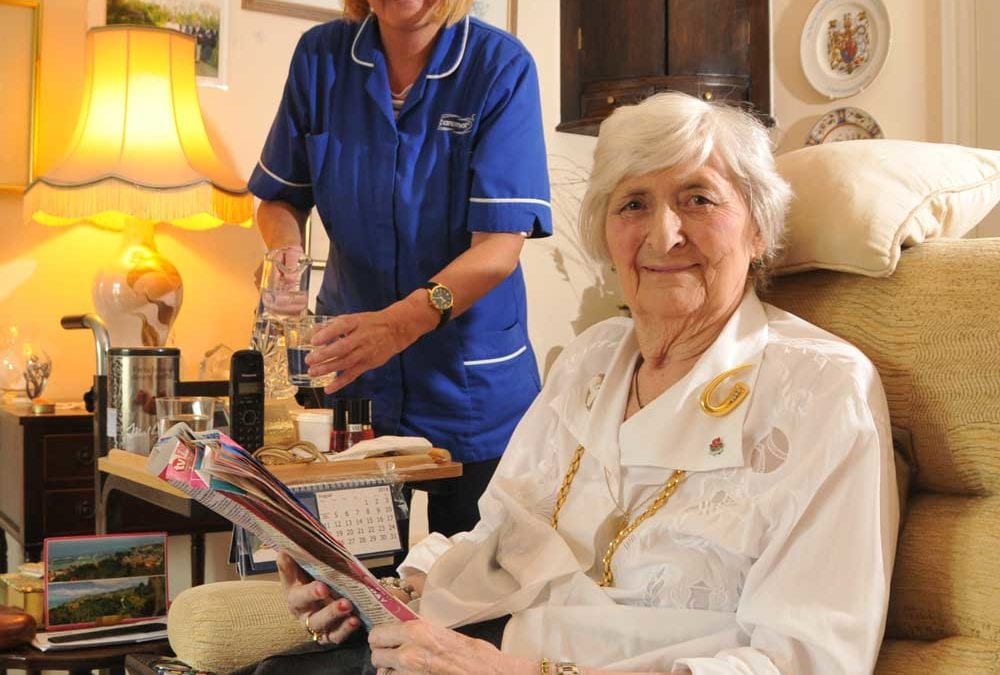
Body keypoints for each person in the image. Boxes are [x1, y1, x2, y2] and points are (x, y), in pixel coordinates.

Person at [276, 92, 900, 675]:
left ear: (758, 228)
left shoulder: (823, 388)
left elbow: (802, 657)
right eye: (633, 205)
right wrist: (382, 591)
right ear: (607, 234)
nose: (663, 235)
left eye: (698, 199)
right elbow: (502, 535)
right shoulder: (592, 359)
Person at [248, 0, 552, 537]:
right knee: (350, 592)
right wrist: (284, 254)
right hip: (354, 382)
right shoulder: (320, 57)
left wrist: (396, 325)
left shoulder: (499, 66)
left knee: (473, 599)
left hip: (470, 385)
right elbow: (279, 200)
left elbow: (499, 248)